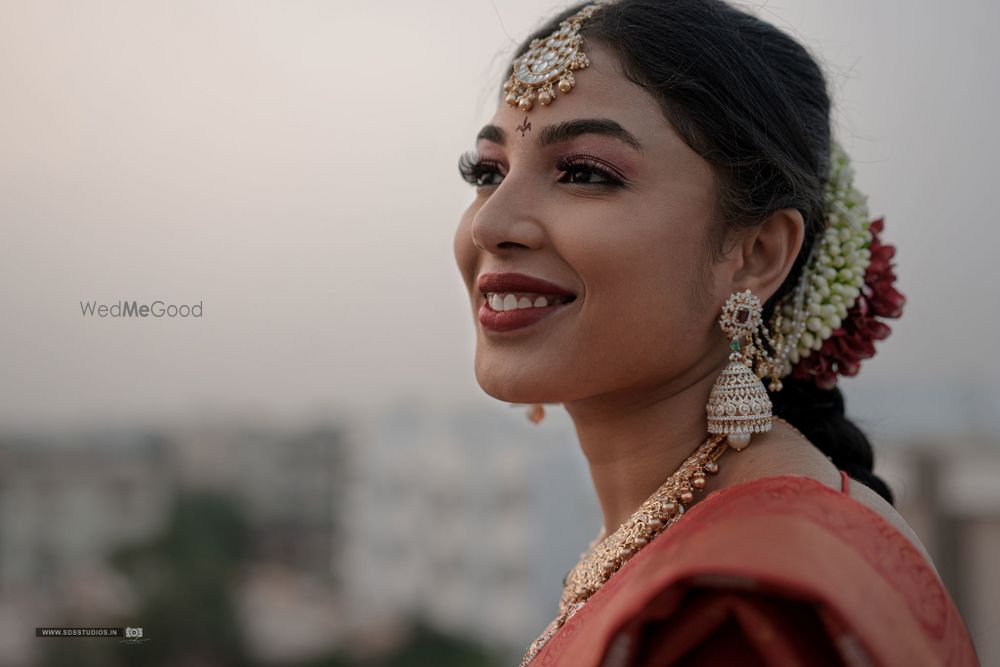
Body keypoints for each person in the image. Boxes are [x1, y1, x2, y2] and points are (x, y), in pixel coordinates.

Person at [452, 0, 980, 665]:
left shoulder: (734, 611)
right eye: (487, 171)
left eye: (583, 172)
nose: (488, 222)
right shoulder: (740, 533)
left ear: (757, 255)